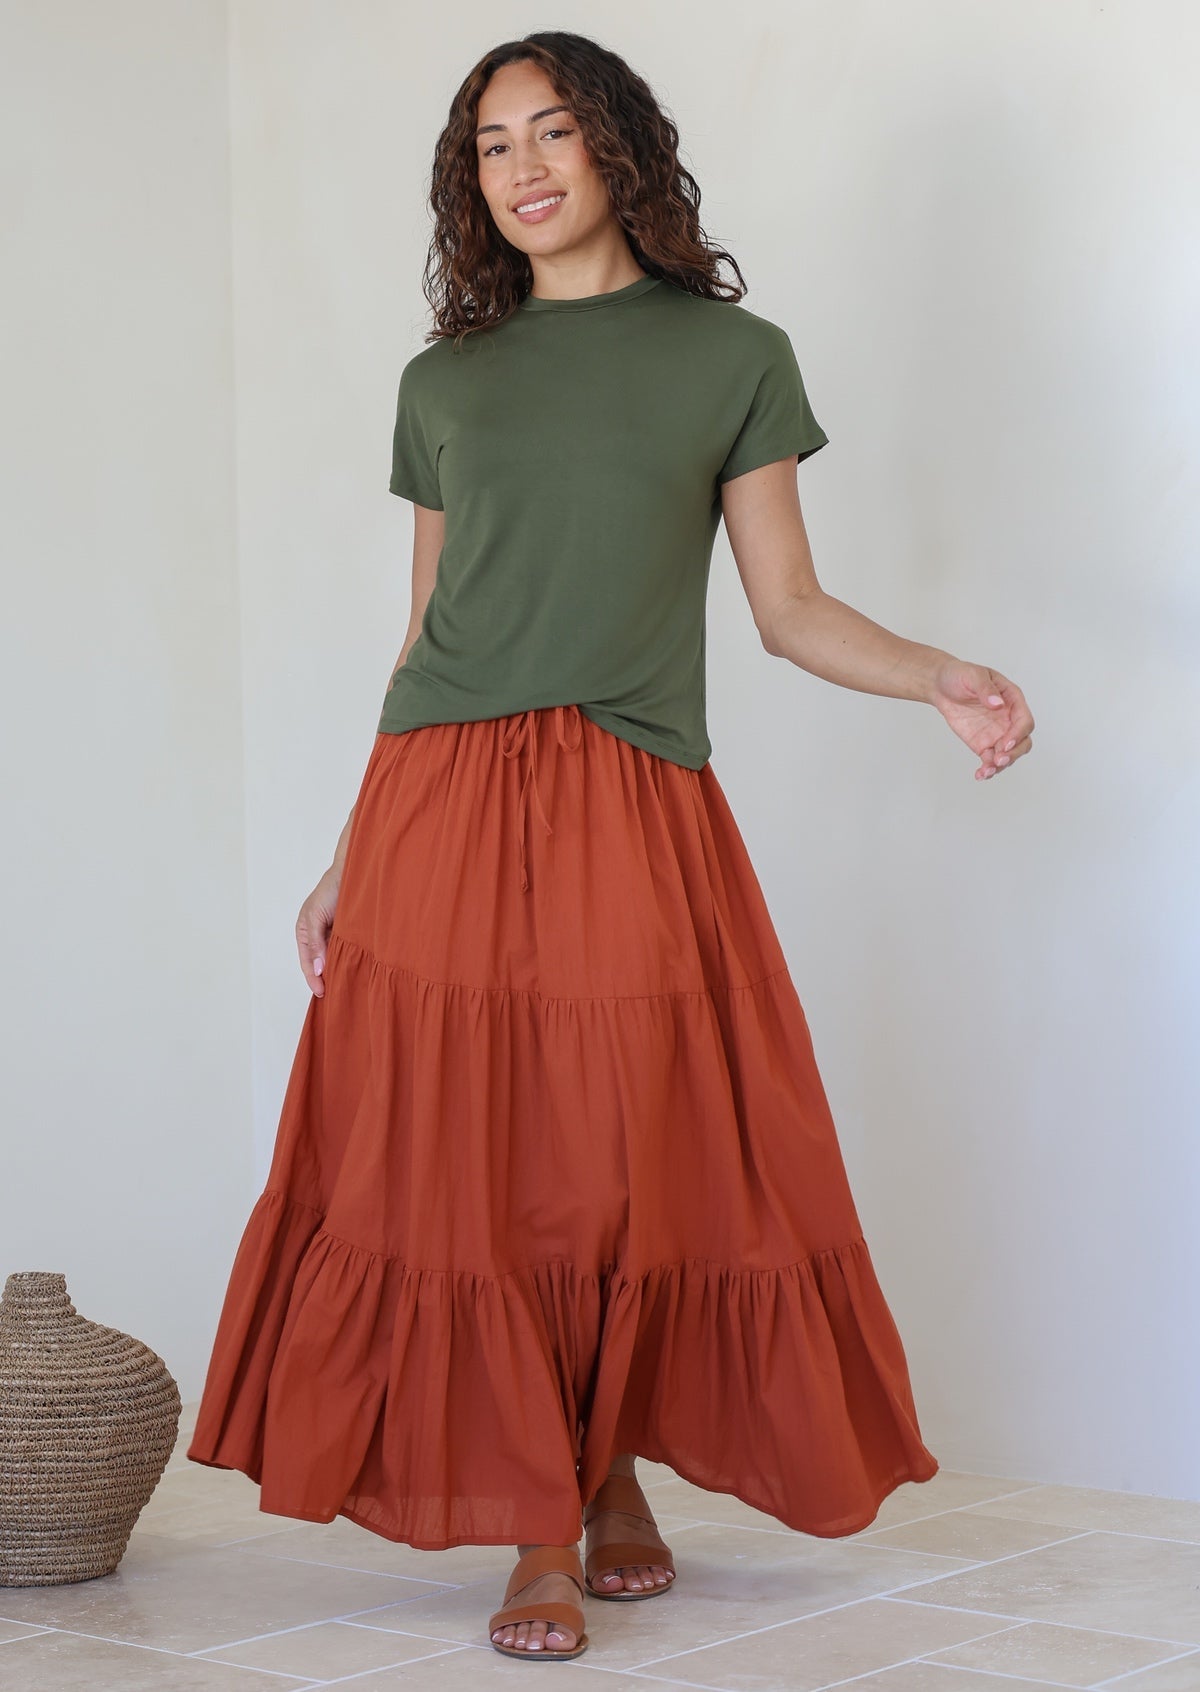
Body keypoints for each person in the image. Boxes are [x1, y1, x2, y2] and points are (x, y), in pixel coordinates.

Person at [187, 29, 1035, 1666]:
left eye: (552, 131)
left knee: (618, 1159)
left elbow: (785, 611)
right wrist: (347, 859)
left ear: (620, 149)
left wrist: (941, 673)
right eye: (491, 145)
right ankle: (539, 1526)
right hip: (437, 804)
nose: (522, 168)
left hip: (630, 794)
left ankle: (620, 1468)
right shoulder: (444, 384)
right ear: (471, 182)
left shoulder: (732, 358)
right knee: (479, 1173)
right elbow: (429, 633)